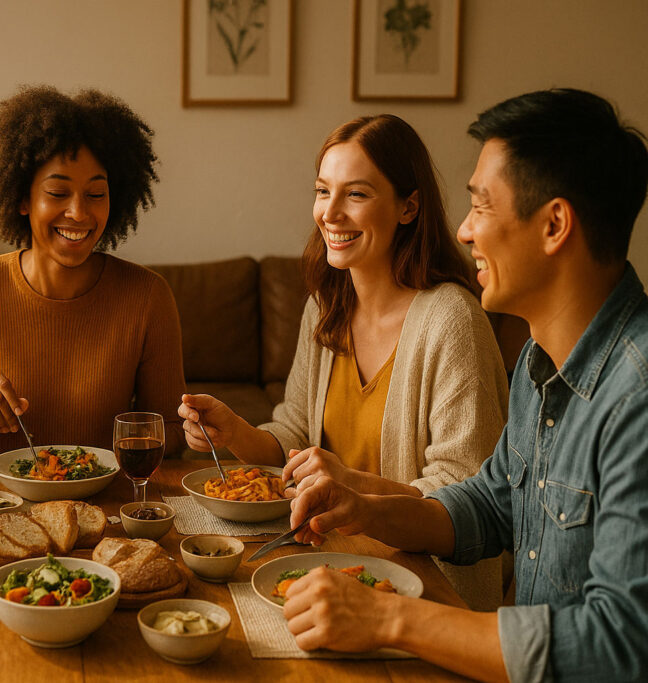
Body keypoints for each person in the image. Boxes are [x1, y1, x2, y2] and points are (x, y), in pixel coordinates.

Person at [283, 89, 648, 682]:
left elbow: (616, 645)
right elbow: (487, 505)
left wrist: (389, 619)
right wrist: (365, 507)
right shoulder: (540, 360)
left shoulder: (638, 395)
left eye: (481, 206)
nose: (464, 230)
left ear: (554, 225)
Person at [178, 114, 508, 608]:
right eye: (322, 191)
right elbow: (296, 432)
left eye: (356, 194)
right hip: (329, 567)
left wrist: (351, 485)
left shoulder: (452, 321)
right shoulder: (325, 307)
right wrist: (236, 433)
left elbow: (463, 498)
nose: (330, 213)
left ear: (408, 207)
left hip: (426, 591)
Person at [0, 86, 185, 464]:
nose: (79, 213)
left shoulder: (147, 296)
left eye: (96, 194)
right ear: (22, 198)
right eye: (58, 193)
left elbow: (171, 431)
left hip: (107, 495)